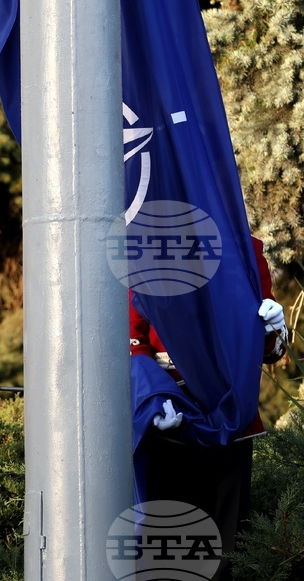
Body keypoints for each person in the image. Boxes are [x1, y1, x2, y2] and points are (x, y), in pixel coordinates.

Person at [131, 236, 286, 581]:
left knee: (225, 552)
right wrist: (155, 396)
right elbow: (132, 340)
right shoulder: (149, 248)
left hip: (230, 415)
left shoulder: (248, 247)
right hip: (171, 415)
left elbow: (270, 351)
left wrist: (273, 329)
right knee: (166, 552)